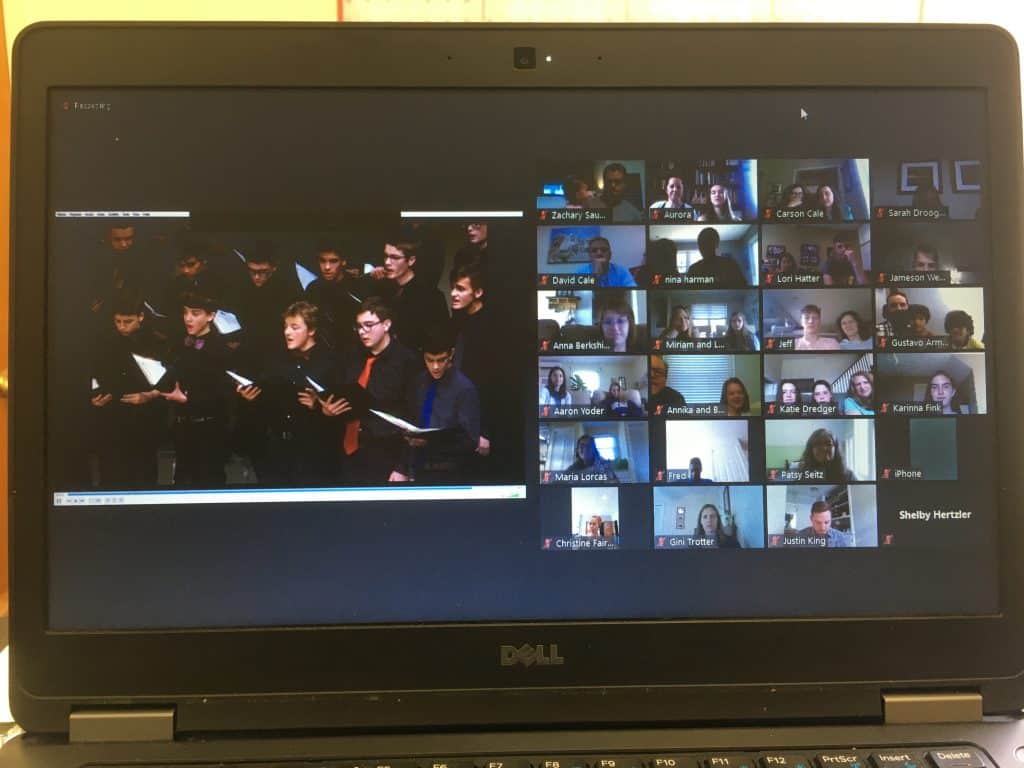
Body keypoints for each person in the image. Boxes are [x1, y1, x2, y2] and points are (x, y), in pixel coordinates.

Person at [234, 301, 339, 486]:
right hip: (277, 450)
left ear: (311, 330)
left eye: (294, 327)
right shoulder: (277, 361)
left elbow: (341, 414)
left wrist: (316, 406)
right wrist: (251, 398)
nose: (287, 332)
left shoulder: (330, 362)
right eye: (286, 327)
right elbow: (269, 401)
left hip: (314, 454)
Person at [320, 297, 419, 483]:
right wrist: (328, 410)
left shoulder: (406, 361)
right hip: (350, 452)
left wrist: (402, 466)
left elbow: (414, 415)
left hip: (386, 454)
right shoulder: (351, 357)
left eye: (368, 325)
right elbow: (342, 397)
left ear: (386, 324)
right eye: (359, 326)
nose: (362, 331)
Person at [88, 290, 169, 489]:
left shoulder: (158, 341)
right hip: (112, 415)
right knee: (111, 472)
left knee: (143, 472)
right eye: (118, 321)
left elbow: (168, 380)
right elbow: (93, 373)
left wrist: (149, 396)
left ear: (141, 317)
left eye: (128, 321)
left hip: (144, 417)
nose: (122, 327)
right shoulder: (105, 341)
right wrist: (93, 396)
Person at [160, 290, 233, 487]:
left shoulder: (221, 349)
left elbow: (224, 393)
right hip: (183, 426)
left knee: (209, 481)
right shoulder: (180, 344)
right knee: (182, 481)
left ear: (211, 316)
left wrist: (188, 400)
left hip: (210, 429)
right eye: (185, 312)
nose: (188, 318)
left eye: (195, 313)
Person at [397, 326, 481, 483]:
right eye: (430, 360)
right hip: (419, 469)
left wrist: (429, 443)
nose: (435, 367)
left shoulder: (464, 389)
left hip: (450, 473)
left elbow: (471, 440)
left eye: (441, 360)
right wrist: (401, 468)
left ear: (451, 354)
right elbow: (411, 420)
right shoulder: (418, 383)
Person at [450, 262, 498, 465]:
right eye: (453, 288)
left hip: (480, 423)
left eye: (460, 289)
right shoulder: (459, 320)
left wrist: (485, 431)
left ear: (478, 293)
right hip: (459, 417)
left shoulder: (490, 327)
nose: (453, 293)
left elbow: (494, 384)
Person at [381, 238, 449, 353]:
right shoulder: (384, 289)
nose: (387, 262)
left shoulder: (431, 296)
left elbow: (439, 342)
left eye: (395, 257)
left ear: (411, 260)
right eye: (386, 256)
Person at [303, 243, 363, 354]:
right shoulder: (313, 289)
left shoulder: (357, 288)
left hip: (351, 351)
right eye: (322, 261)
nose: (327, 267)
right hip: (320, 351)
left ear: (343, 261)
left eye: (333, 261)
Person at [785, 501, 853, 547]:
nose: (823, 528)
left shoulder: (841, 537)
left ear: (831, 519)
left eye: (827, 522)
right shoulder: (799, 536)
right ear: (811, 519)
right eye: (818, 522)